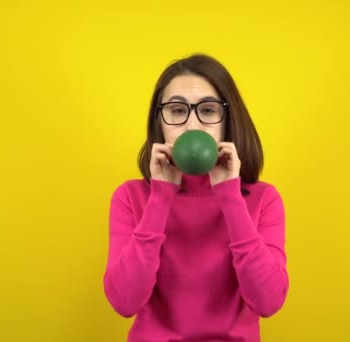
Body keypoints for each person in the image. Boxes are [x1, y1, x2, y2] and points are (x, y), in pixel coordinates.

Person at [103, 54, 289, 342]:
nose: (192, 126)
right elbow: (124, 302)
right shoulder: (130, 197)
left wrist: (229, 195)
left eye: (208, 110)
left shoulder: (264, 199)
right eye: (177, 111)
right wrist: (160, 197)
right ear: (160, 121)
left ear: (228, 120)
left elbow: (268, 302)